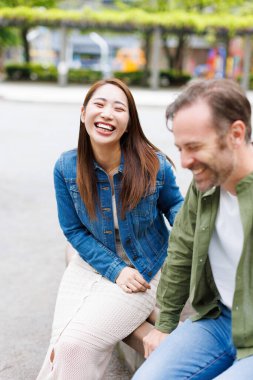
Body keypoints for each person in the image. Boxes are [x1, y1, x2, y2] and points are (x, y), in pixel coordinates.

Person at [37, 78, 183, 380]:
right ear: (83, 113)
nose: (107, 113)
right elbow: (74, 230)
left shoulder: (153, 165)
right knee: (61, 344)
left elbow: (176, 209)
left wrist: (189, 251)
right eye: (99, 105)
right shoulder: (66, 168)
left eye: (119, 108)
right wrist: (115, 270)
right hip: (92, 264)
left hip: (144, 270)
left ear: (128, 123)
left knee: (76, 345)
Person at [132, 78, 253, 380]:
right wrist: (165, 323)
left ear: (236, 134)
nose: (184, 162)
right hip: (218, 319)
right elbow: (182, 248)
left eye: (195, 147)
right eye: (180, 148)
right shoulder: (207, 181)